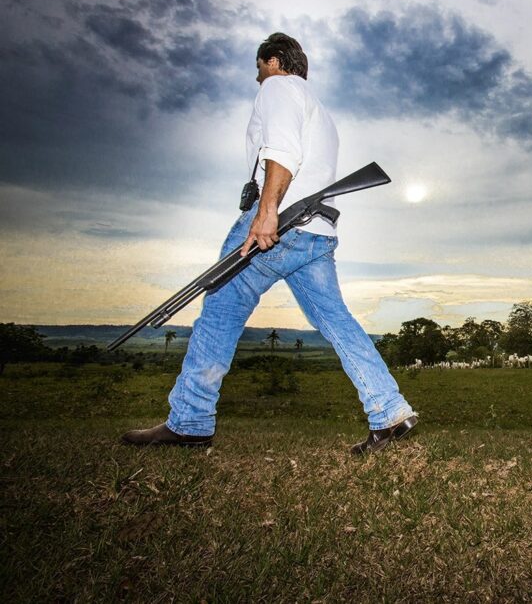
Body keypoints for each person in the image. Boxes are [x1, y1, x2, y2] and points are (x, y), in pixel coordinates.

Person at [123, 33, 417, 455]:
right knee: (337, 322)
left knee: (219, 311)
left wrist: (265, 214)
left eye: (259, 67)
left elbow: (282, 151)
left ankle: (190, 420)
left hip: (281, 225)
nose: (257, 76)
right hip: (317, 233)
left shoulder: (279, 88)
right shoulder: (320, 109)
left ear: (274, 61)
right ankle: (389, 410)